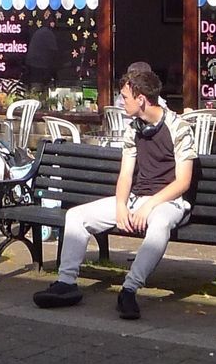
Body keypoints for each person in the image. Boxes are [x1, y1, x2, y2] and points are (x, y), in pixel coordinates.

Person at [33, 64, 196, 319]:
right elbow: (125, 174)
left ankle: (129, 290)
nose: (121, 102)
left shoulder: (179, 127)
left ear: (141, 99)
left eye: (126, 97)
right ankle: (66, 284)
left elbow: (183, 182)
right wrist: (121, 205)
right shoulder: (134, 129)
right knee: (76, 216)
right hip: (136, 199)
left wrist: (149, 205)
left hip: (168, 201)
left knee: (160, 224)